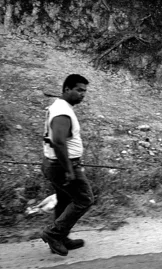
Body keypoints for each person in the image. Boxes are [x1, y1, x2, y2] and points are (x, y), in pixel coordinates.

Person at [40, 74, 93, 256]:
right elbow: (59, 142)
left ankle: (61, 238)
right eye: (79, 90)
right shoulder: (62, 112)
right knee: (84, 200)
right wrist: (69, 169)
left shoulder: (60, 107)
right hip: (63, 165)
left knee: (64, 200)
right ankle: (53, 234)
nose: (82, 94)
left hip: (54, 163)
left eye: (84, 91)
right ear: (66, 89)